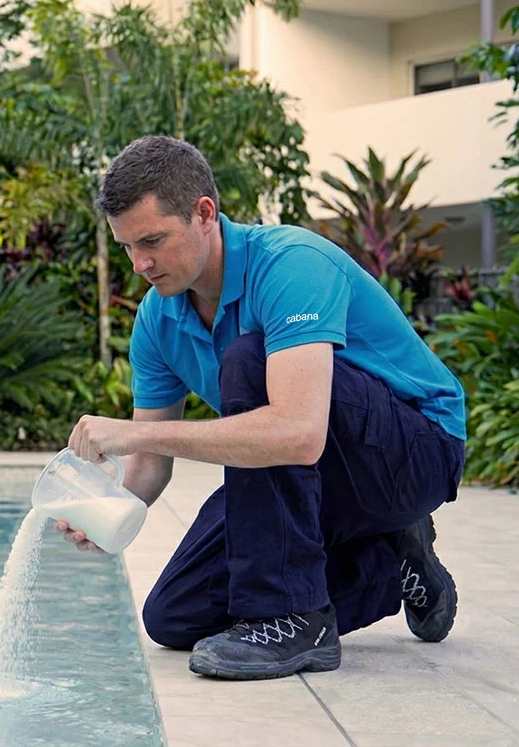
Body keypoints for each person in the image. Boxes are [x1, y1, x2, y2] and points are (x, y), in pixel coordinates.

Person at [57, 135, 466, 681]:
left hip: (413, 454)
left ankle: (293, 618)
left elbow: (297, 433)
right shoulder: (158, 319)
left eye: (152, 240)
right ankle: (392, 562)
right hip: (313, 472)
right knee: (174, 615)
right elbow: (151, 464)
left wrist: (134, 435)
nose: (140, 264)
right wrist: (106, 511)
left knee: (248, 358)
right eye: (127, 246)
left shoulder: (290, 265)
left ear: (205, 213)